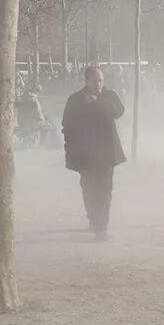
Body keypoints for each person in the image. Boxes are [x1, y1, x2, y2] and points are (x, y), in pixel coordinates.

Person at [62, 66, 126, 240]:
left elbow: (119, 111)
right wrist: (71, 148)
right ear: (86, 81)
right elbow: (66, 125)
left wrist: (98, 101)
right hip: (85, 154)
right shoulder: (75, 99)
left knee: (105, 190)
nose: (99, 84)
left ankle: (101, 226)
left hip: (106, 152)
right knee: (89, 189)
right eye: (95, 81)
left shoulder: (109, 96)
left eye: (101, 80)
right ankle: (93, 217)